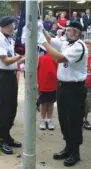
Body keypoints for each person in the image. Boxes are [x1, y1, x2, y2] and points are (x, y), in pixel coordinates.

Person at [40, 20, 88, 167]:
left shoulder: (79, 46)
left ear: (77, 32)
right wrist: (41, 29)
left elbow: (59, 58)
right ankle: (68, 147)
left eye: (69, 30)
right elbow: (50, 39)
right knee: (64, 120)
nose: (66, 32)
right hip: (62, 87)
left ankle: (75, 152)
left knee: (73, 121)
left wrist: (43, 43)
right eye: (66, 29)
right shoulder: (67, 43)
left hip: (75, 89)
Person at [0, 17, 24, 154]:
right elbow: (6, 61)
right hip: (2, 76)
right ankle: (2, 140)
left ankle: (8, 136)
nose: (12, 28)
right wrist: (21, 55)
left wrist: (26, 57)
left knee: (12, 107)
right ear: (2, 27)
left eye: (12, 25)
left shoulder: (9, 39)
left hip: (10, 76)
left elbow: (14, 60)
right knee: (4, 108)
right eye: (9, 26)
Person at [37, 53, 57, 130]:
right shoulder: (40, 58)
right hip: (42, 84)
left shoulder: (56, 57)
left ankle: (49, 119)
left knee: (51, 103)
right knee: (43, 103)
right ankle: (42, 119)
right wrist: (37, 82)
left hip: (53, 84)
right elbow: (36, 69)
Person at [84, 39, 91, 130]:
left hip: (89, 84)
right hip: (78, 84)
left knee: (87, 103)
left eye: (88, 45)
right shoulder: (80, 57)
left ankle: (85, 119)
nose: (86, 47)